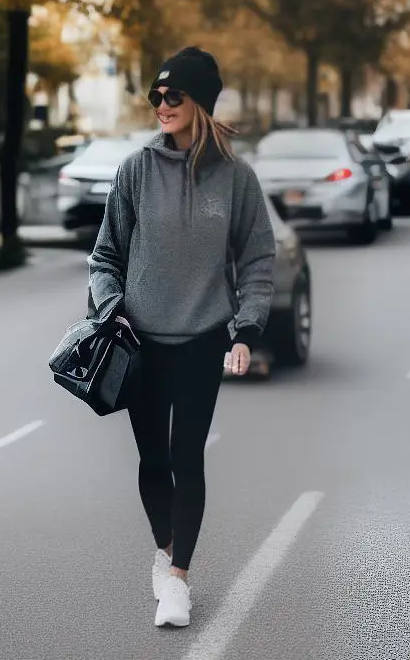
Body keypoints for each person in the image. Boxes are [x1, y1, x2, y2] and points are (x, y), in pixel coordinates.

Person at [87, 47, 276, 628]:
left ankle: (178, 580)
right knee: (151, 461)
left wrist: (246, 329)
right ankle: (166, 548)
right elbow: (104, 257)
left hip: (201, 338)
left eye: (174, 96)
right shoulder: (135, 172)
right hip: (139, 341)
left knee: (186, 457)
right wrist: (113, 310)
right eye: (156, 97)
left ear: (200, 103)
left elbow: (258, 259)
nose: (162, 106)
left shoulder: (236, 179)